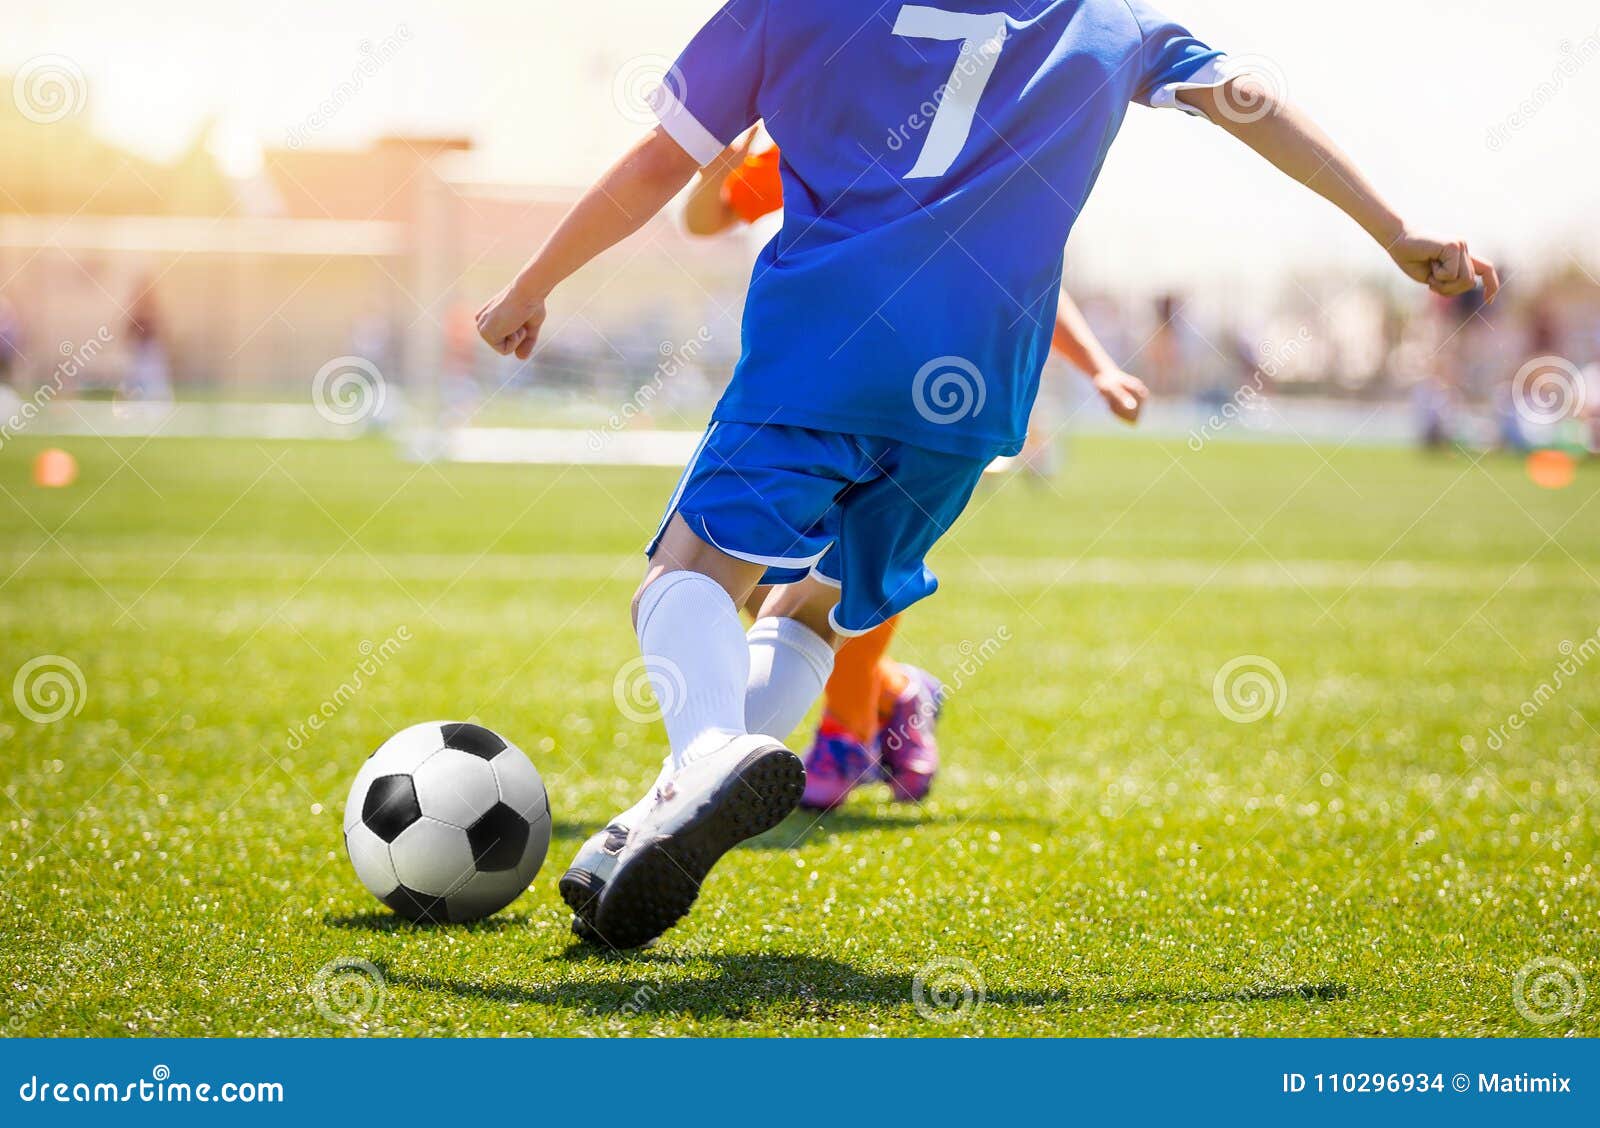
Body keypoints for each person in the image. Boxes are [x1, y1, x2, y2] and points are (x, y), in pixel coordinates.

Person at [478, 0, 1497, 950]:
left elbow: (664, 167)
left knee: (687, 580)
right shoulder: (1104, 18)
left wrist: (530, 285)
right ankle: (657, 816)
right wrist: (1395, 230)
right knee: (812, 612)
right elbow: (1249, 101)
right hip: (973, 400)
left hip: (828, 347)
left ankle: (701, 757)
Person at [681, 128, 1149, 812]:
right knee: (766, 581)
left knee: (855, 560)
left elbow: (1024, 271)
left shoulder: (965, 150)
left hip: (934, 397)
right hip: (815, 381)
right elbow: (709, 217)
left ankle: (846, 735)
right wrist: (714, 170)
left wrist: (1101, 368)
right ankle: (897, 693)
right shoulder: (831, 136)